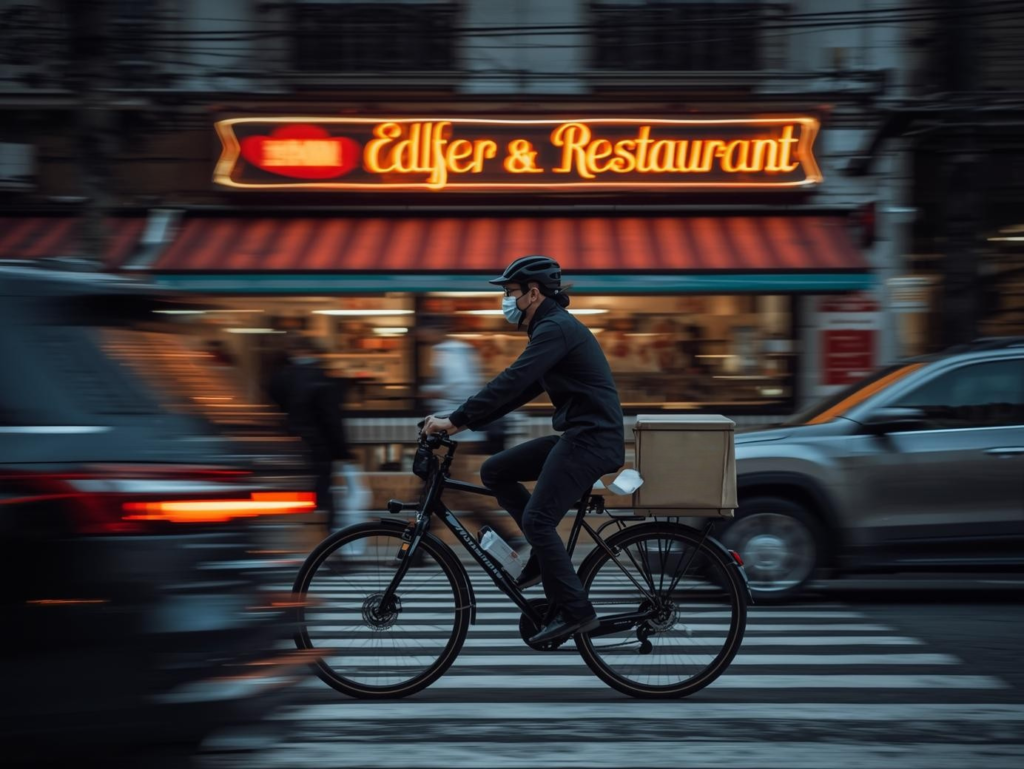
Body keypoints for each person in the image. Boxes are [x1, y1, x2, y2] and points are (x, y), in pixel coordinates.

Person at [422, 255, 625, 647]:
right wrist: (458, 422)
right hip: (580, 436)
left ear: (533, 293)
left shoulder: (555, 328)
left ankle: (576, 612)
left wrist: (455, 419)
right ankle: (541, 558)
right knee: (495, 470)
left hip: (592, 441)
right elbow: (519, 392)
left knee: (539, 519)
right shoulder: (551, 329)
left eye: (509, 292)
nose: (505, 301)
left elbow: (512, 379)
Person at [417, 316, 522, 548]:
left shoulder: (448, 352)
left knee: (449, 491)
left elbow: (461, 386)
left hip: (454, 434)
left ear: (433, 330)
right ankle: (421, 545)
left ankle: (506, 535)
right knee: (434, 489)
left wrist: (433, 392)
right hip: (454, 433)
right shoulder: (454, 351)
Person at [268, 337, 361, 535]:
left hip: (293, 443)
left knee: (299, 488)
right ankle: (325, 535)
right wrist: (342, 451)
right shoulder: (322, 378)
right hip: (319, 445)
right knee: (323, 490)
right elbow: (331, 418)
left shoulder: (282, 377)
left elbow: (275, 402)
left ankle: (301, 529)